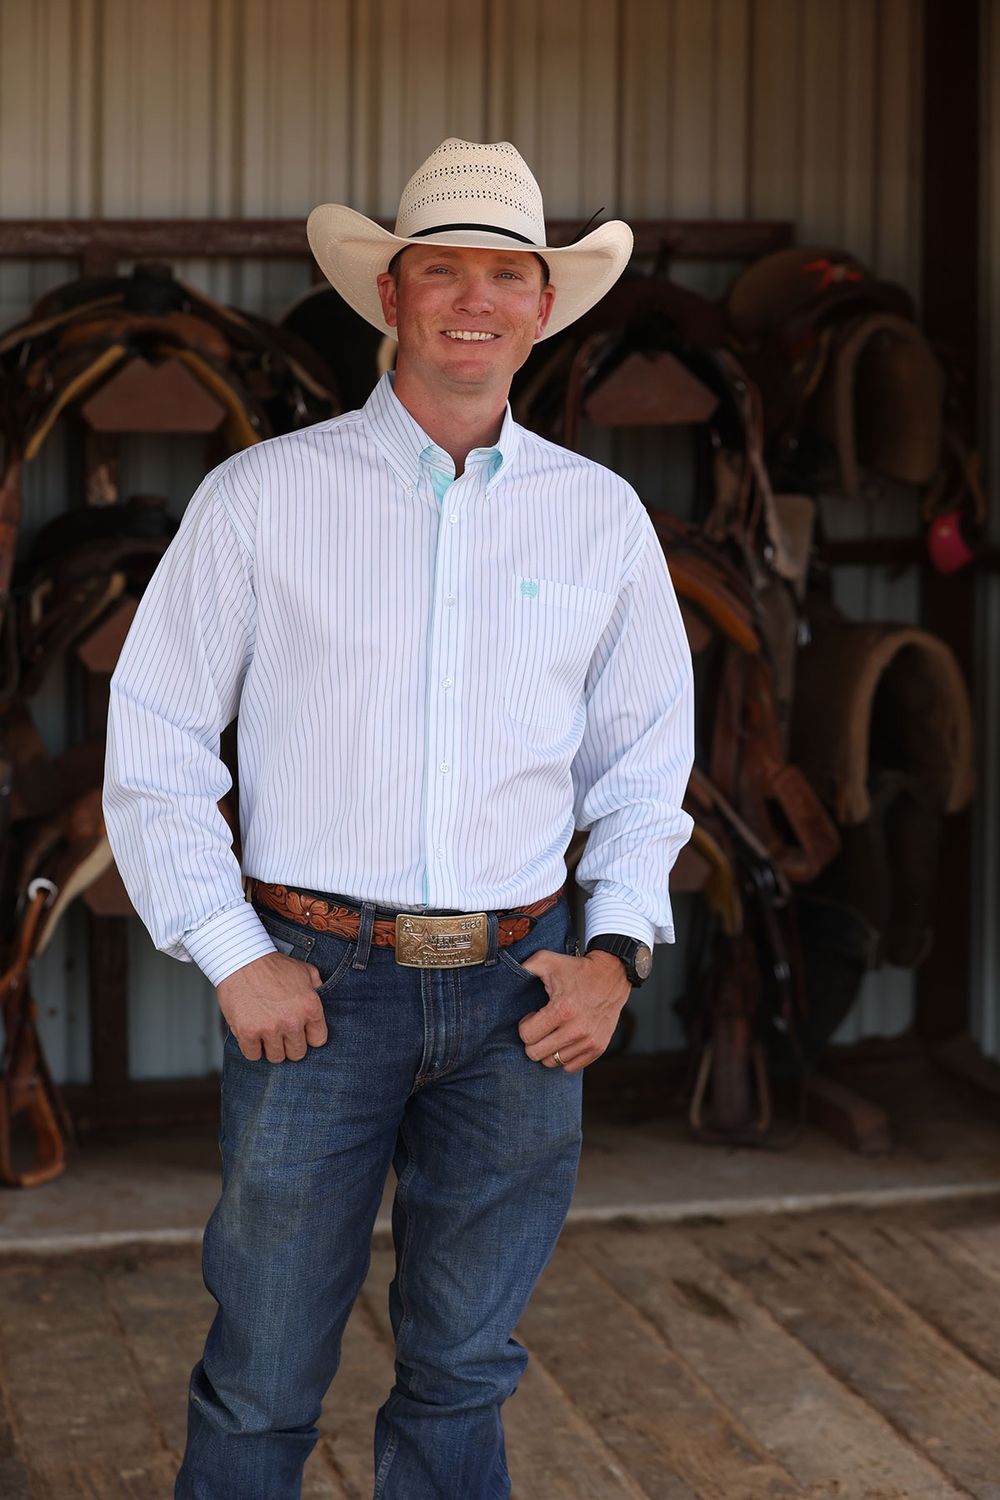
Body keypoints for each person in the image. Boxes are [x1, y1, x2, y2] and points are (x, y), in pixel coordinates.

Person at [103, 137, 694, 1500]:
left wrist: (618, 958)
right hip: (317, 988)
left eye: (506, 274)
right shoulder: (261, 499)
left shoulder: (599, 522)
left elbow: (643, 766)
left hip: (520, 996)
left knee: (466, 1368)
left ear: (545, 306)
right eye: (444, 271)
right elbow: (157, 737)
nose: (473, 301)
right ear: (392, 294)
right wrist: (224, 944)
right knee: (258, 1375)